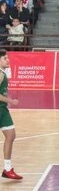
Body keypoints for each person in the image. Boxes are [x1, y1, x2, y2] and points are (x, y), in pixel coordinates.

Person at [0, 49, 22, 179]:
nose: (8, 60)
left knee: (11, 135)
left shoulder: (3, 73)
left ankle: (7, 169)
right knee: (10, 135)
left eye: (7, 58)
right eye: (4, 58)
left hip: (2, 109)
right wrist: (11, 101)